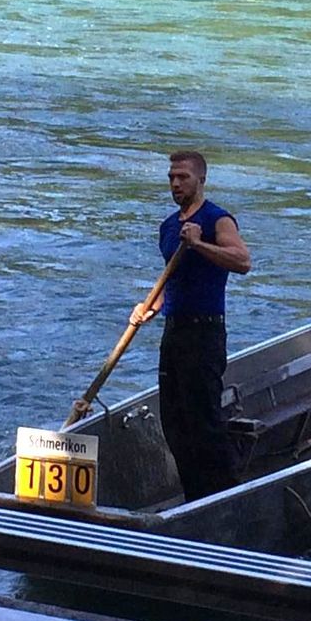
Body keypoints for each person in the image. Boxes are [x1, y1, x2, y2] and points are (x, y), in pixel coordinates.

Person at [131, 150, 251, 501]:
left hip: (205, 333)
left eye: (183, 177)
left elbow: (242, 262)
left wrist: (199, 243)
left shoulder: (217, 220)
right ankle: (194, 495)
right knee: (174, 422)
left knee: (204, 422)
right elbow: (174, 281)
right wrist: (149, 306)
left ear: (201, 180)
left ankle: (223, 497)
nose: (175, 183)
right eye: (171, 177)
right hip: (175, 332)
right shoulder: (169, 227)